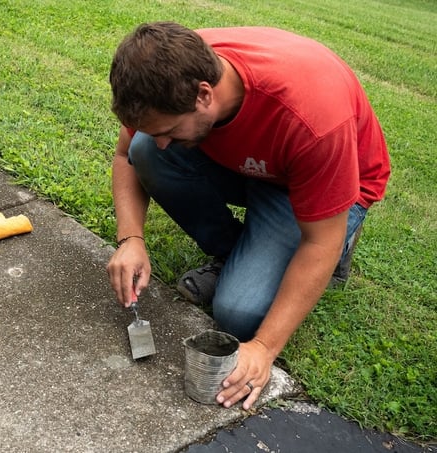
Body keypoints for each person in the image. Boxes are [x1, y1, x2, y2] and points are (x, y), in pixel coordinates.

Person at [106, 22, 390, 410]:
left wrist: (263, 347)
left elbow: (319, 242)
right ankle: (242, 251)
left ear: (204, 94)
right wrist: (131, 239)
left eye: (169, 130)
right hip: (253, 162)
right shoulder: (159, 76)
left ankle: (334, 231)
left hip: (315, 185)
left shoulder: (312, 118)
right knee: (147, 153)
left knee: (239, 313)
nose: (162, 140)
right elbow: (127, 154)